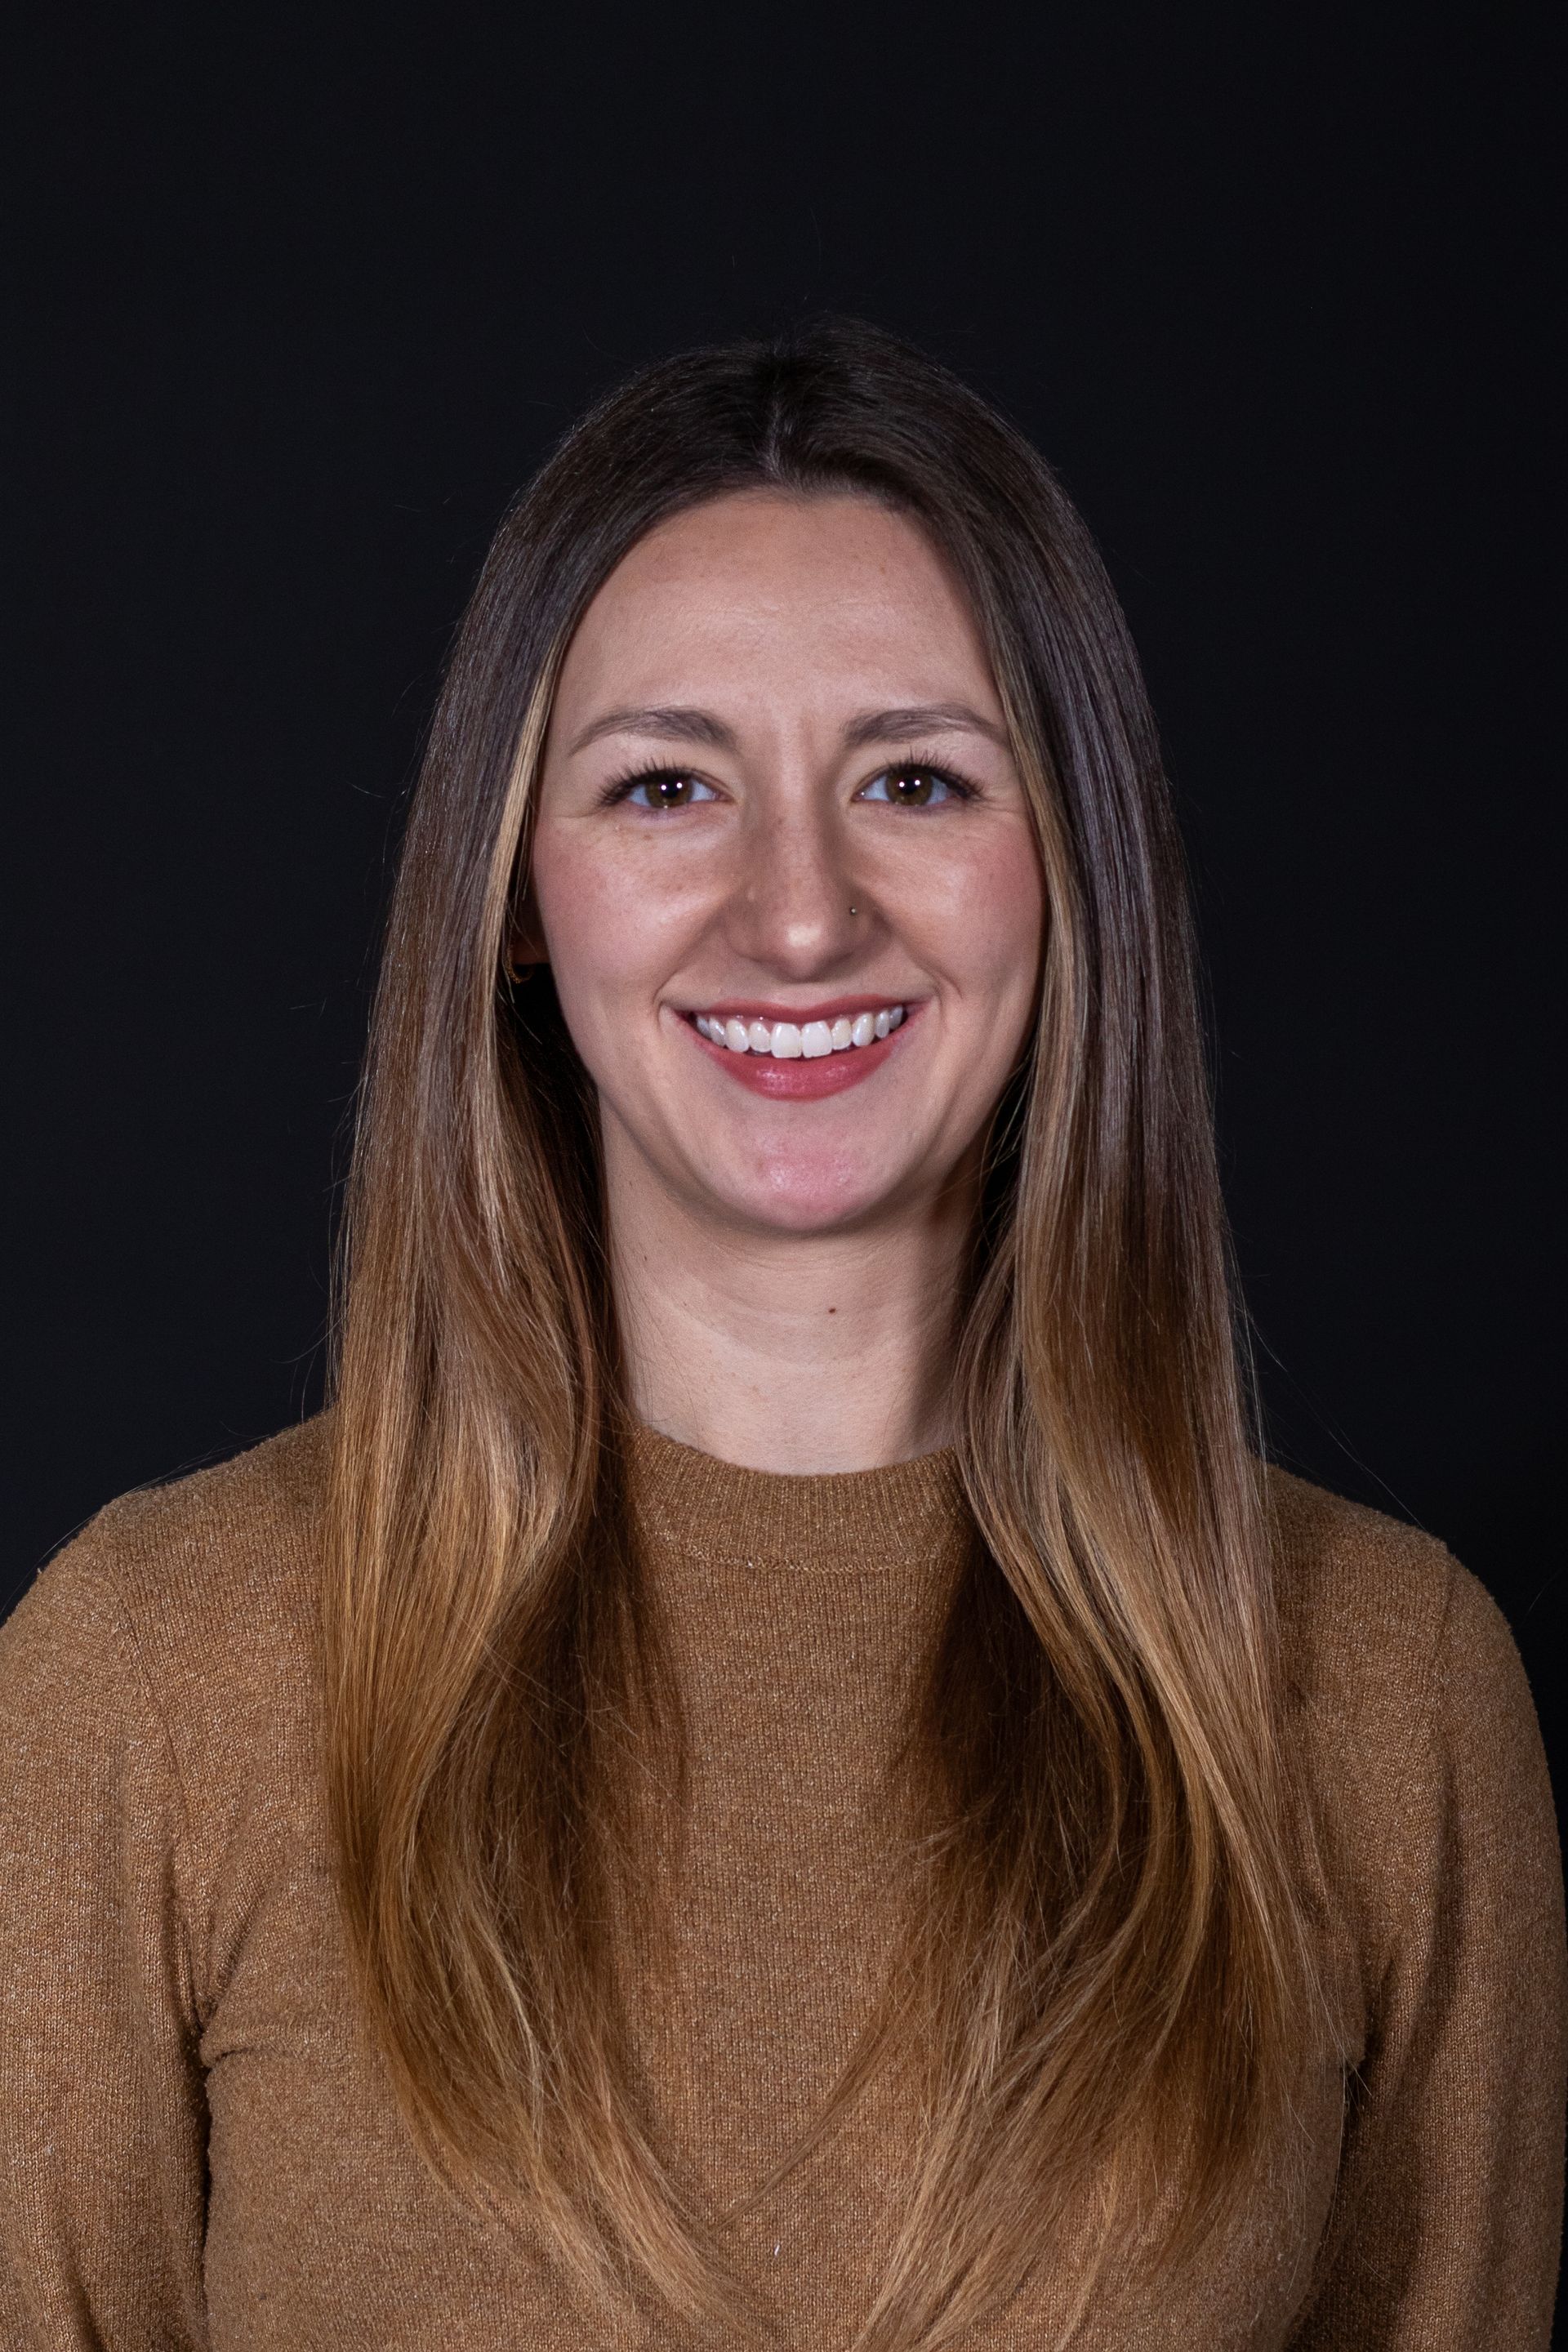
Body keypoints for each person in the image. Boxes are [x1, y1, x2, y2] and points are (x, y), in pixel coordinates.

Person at [0, 318, 1562, 2352]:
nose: (801, 912)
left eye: (915, 778)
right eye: (668, 787)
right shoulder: (146, 1677)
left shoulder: (1388, 1697)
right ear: (519, 899)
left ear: (1070, 867)